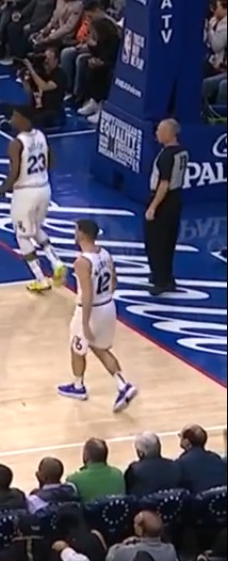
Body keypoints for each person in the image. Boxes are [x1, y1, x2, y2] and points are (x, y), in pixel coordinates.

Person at [58, 219, 137, 412]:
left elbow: (87, 295)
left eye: (76, 230)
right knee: (100, 348)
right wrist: (105, 299)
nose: (74, 234)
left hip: (91, 309)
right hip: (108, 305)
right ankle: (122, 385)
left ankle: (78, 387)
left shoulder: (82, 262)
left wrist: (85, 323)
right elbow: (114, 281)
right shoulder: (105, 253)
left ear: (82, 234)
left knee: (77, 347)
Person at [0, 106, 66, 291]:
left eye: (15, 116)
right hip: (44, 188)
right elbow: (52, 161)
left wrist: (4, 187)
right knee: (35, 228)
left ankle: (40, 278)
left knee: (22, 236)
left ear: (24, 119)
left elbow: (15, 172)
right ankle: (56, 262)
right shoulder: (41, 136)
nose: (12, 120)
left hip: (25, 192)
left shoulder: (16, 143)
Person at [144, 119, 189, 295]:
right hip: (176, 199)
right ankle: (166, 276)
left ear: (169, 133)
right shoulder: (182, 151)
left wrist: (153, 207)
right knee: (169, 240)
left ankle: (161, 280)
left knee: (156, 241)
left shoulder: (166, 155)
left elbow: (164, 184)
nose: (157, 133)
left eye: (160, 130)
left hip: (163, 200)